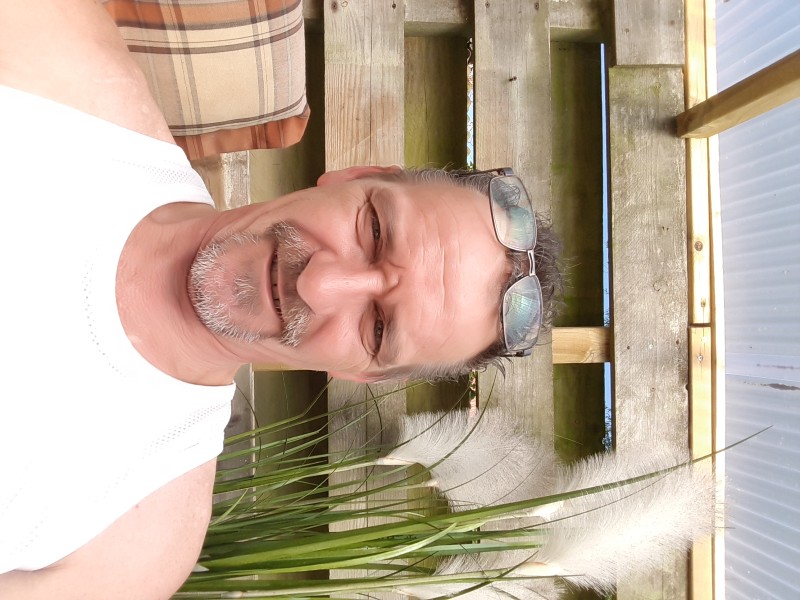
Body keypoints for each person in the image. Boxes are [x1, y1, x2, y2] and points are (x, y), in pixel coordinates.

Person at [0, 1, 562, 598]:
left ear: (365, 373)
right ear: (354, 176)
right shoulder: (64, 74)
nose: (320, 284)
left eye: (376, 327)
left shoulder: (132, 547)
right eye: (374, 232)